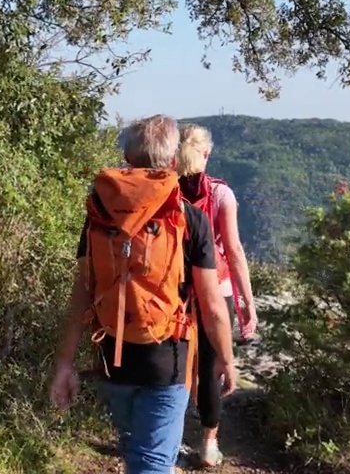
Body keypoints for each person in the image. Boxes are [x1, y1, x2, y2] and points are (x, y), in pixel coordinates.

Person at [50, 114, 238, 474]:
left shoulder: (100, 213)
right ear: (171, 162)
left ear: (128, 160)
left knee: (137, 452)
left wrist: (64, 363)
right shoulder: (188, 217)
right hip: (167, 361)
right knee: (151, 462)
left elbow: (82, 291)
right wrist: (225, 360)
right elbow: (213, 306)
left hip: (111, 357)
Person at [176, 123, 259, 469]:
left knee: (177, 365)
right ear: (207, 153)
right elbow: (235, 250)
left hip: (174, 290)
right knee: (211, 367)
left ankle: (168, 433)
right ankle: (209, 443)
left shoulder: (164, 191)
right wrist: (247, 305)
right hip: (216, 289)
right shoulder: (221, 194)